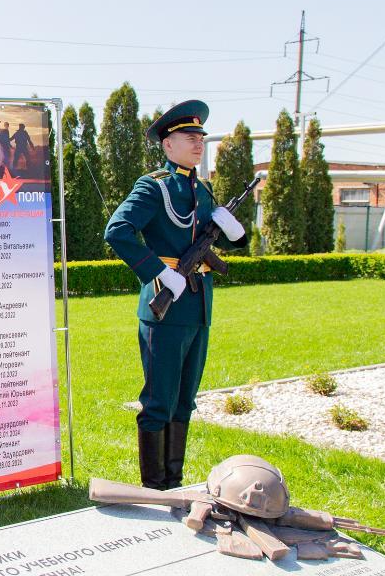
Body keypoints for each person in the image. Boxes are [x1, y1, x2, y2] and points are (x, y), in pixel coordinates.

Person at [103, 99, 248, 490]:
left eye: (200, 136)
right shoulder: (154, 186)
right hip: (165, 309)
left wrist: (237, 233)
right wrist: (160, 273)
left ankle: (175, 483)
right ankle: (155, 489)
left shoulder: (202, 188)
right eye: (189, 137)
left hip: (199, 305)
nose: (198, 143)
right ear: (168, 145)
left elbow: (211, 238)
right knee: (159, 402)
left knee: (185, 401)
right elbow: (117, 231)